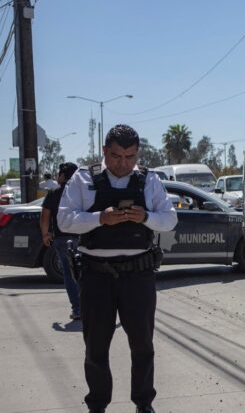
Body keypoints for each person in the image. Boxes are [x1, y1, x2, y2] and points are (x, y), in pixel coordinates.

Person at [58, 125, 177, 413]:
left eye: (130, 157)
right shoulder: (83, 178)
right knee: (96, 346)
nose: (123, 164)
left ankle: (144, 403)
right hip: (96, 275)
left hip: (139, 275)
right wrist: (101, 218)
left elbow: (170, 219)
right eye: (116, 156)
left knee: (142, 345)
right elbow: (64, 220)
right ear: (104, 152)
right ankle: (97, 405)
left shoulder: (149, 180)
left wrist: (146, 216)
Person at [40, 162, 80, 319]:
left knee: (69, 274)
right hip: (82, 237)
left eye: (59, 174)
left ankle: (77, 309)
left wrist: (45, 234)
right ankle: (90, 306)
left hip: (62, 238)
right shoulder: (81, 191)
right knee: (87, 272)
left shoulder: (54, 192)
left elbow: (45, 215)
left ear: (63, 175)